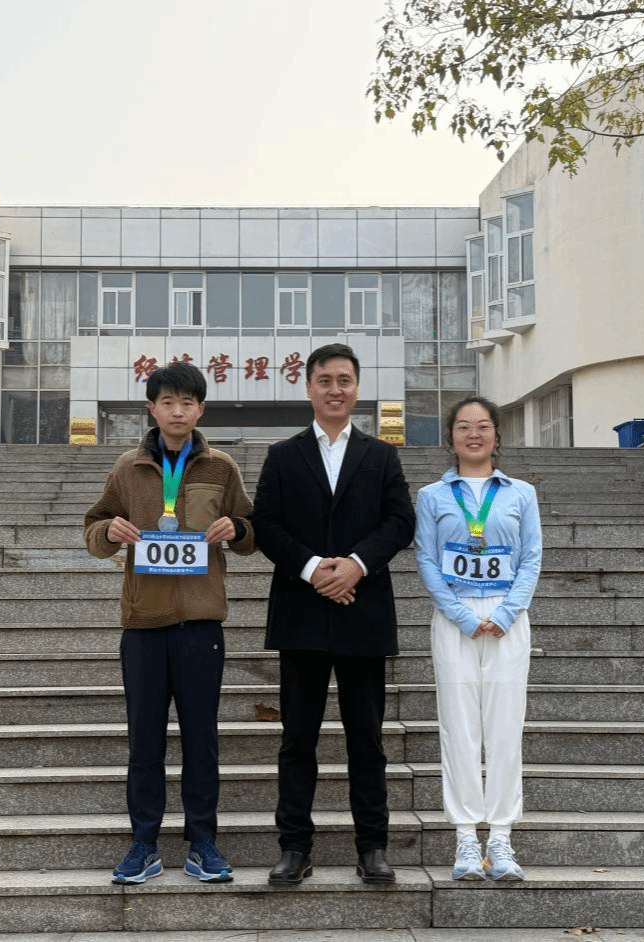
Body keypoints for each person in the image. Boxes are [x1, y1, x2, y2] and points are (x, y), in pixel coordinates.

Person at [83, 361, 256, 885]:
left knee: (202, 739)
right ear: (152, 409)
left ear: (201, 409)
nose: (177, 411)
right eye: (167, 402)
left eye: (187, 402)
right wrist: (109, 533)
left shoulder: (221, 467)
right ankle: (144, 843)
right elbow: (93, 527)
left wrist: (237, 529)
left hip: (201, 624)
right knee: (145, 741)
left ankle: (203, 841)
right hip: (143, 623)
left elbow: (252, 532)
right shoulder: (128, 468)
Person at [252, 342, 415, 886]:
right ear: (308, 388)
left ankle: (373, 847)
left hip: (362, 613)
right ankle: (294, 848)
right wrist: (314, 568)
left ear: (357, 388)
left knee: (366, 739)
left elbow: (400, 522)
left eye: (344, 380)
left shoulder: (381, 455)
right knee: (297, 740)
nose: (335, 389)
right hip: (301, 614)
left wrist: (356, 566)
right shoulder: (283, 455)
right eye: (325, 380)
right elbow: (266, 523)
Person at [413, 396, 542, 881]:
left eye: (483, 425)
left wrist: (507, 612)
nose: (473, 434)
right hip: (455, 618)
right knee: (459, 727)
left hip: (508, 616)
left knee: (505, 727)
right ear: (451, 436)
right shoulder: (432, 496)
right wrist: (462, 616)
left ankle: (502, 837)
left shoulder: (521, 493)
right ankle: (466, 837)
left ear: (496, 434)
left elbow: (531, 558)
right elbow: (427, 559)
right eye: (464, 426)